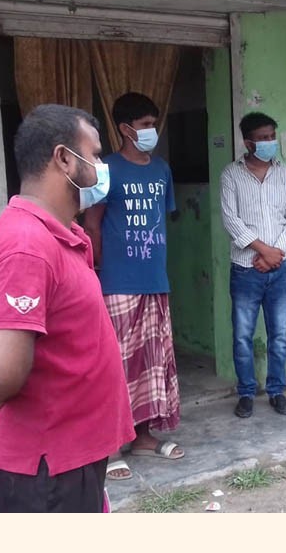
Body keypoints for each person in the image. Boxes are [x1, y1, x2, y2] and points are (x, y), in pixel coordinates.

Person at [0, 104, 135, 513]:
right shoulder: (27, 246)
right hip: (50, 464)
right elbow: (4, 372)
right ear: (64, 159)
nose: (102, 167)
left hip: (72, 453)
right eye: (95, 155)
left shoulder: (60, 235)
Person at [83, 92, 181, 482]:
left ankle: (142, 436)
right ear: (125, 129)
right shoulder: (105, 169)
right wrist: (99, 270)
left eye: (153, 124)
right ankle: (109, 445)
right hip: (117, 282)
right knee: (116, 365)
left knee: (152, 363)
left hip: (154, 280)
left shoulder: (161, 169)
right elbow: (92, 224)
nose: (151, 131)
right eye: (144, 125)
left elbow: (162, 220)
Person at [219, 112, 286, 419]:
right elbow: (231, 220)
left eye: (272, 136)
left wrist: (276, 254)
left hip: (280, 270)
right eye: (263, 138)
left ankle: (277, 391)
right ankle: (246, 393)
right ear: (248, 142)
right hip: (246, 269)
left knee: (278, 334)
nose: (269, 142)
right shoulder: (231, 175)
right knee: (242, 335)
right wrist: (264, 251)